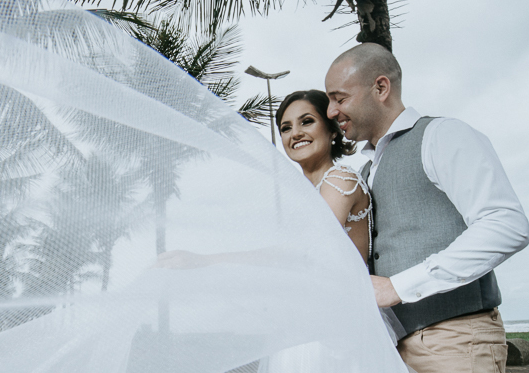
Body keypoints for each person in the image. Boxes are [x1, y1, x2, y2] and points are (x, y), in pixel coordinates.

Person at [324, 43, 529, 373]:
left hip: (455, 342)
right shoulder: (367, 168)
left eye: (339, 98)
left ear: (381, 87)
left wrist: (398, 286)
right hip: (396, 351)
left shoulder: (442, 135)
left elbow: (507, 224)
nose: (332, 112)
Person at [154, 89, 371, 268]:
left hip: (342, 306)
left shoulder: (340, 179)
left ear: (332, 130)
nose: (295, 133)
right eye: (286, 128)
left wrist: (205, 261)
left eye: (307, 122)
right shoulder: (306, 194)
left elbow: (306, 252)